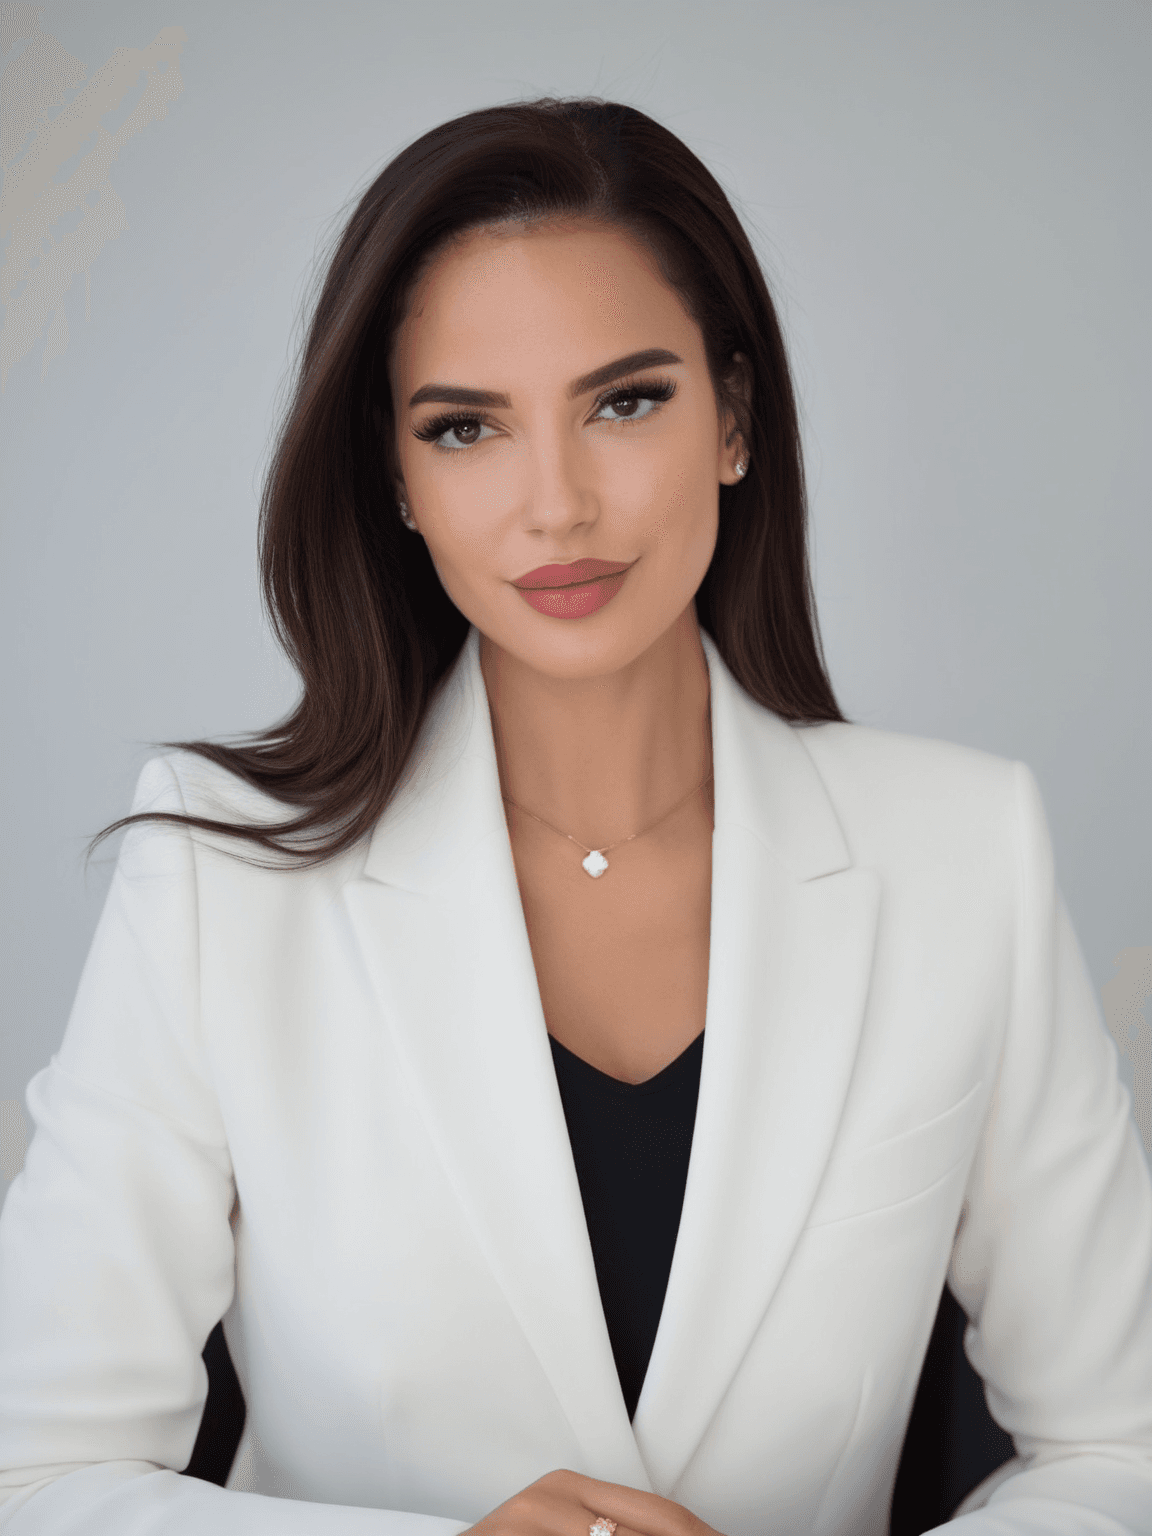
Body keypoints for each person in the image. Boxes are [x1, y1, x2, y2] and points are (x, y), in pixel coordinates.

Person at [0, 97, 1149, 1536]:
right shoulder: (214, 873)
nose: (558, 504)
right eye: (467, 427)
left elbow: (1123, 1448)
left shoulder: (963, 855)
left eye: (625, 401)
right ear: (399, 481)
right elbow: (36, 1477)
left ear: (734, 417)